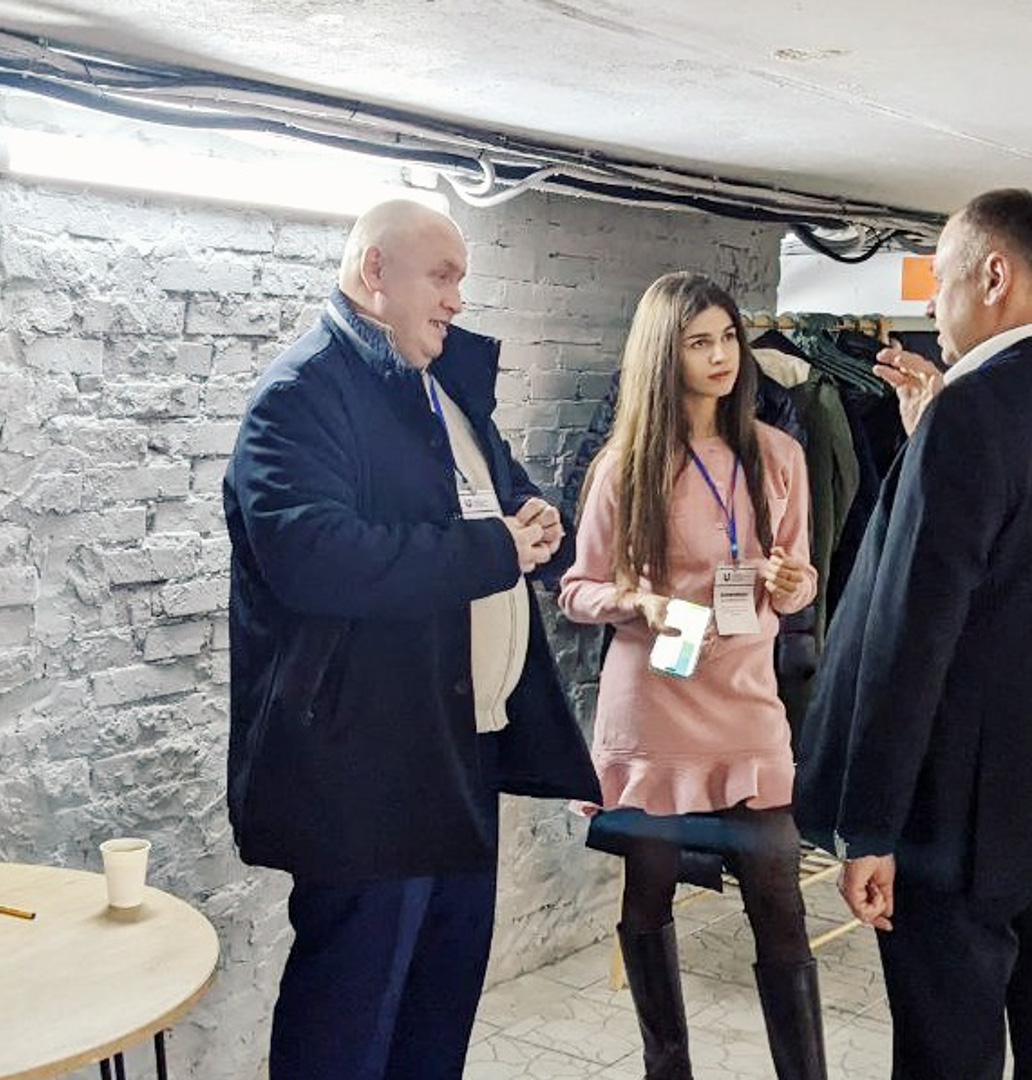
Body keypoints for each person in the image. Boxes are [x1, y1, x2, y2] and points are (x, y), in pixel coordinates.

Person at [222, 199, 599, 1080]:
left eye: (461, 279)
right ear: (374, 272)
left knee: (438, 998)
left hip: (460, 750)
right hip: (365, 766)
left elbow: (504, 505)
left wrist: (540, 524)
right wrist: (495, 547)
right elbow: (315, 558)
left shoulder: (442, 390)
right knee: (350, 1015)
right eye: (442, 276)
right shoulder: (300, 396)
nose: (458, 299)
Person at [796, 188, 1032, 1078]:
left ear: (993, 275)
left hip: (962, 814)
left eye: (940, 279)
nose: (931, 305)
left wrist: (869, 824)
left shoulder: (970, 413)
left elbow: (911, 635)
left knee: (947, 1057)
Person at [559, 271, 826, 1080]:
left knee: (778, 896)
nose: (721, 356)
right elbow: (577, 590)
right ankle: (665, 1067)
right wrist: (635, 599)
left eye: (728, 337)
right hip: (655, 703)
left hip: (746, 704)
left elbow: (801, 581)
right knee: (647, 894)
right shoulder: (625, 466)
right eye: (698, 342)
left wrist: (793, 583)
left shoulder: (779, 455)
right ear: (662, 356)